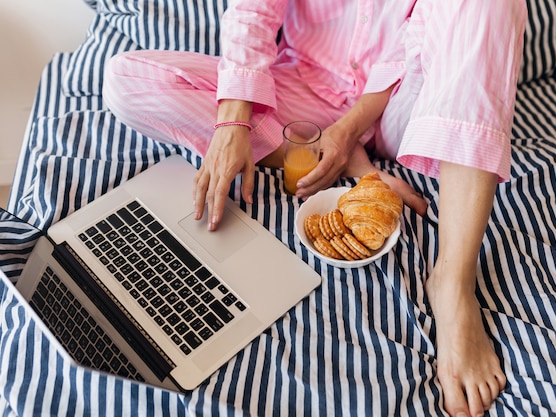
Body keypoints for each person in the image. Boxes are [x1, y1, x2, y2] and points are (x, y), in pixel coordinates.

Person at [103, 0, 527, 415]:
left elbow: (412, 41)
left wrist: (347, 132)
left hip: (400, 104)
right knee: (127, 78)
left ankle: (452, 284)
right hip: (301, 89)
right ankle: (318, 149)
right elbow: (254, 11)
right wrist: (233, 122)